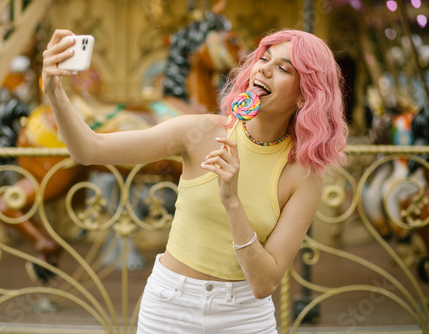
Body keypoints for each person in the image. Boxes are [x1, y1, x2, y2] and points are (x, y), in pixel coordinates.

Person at [42, 27, 348, 333]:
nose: (264, 68)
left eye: (282, 68)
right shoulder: (199, 132)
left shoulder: (304, 174)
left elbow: (264, 282)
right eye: (263, 58)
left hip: (244, 317)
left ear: (304, 96)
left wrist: (232, 201)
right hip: (169, 305)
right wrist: (55, 91)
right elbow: (89, 150)